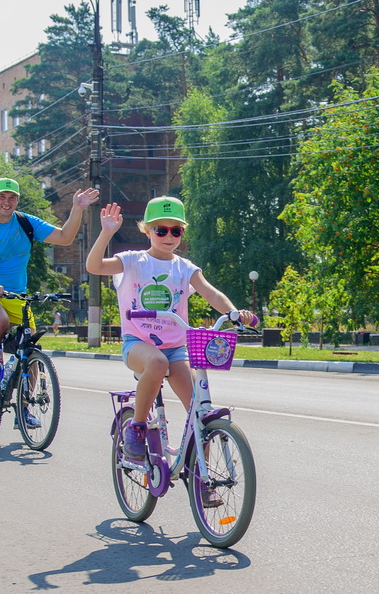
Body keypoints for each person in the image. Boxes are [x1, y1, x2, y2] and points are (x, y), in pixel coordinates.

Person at [85, 196, 257, 503]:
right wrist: (107, 232)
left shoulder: (185, 268)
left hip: (177, 347)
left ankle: (202, 482)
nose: (168, 237)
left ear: (181, 234)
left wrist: (233, 313)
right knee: (157, 363)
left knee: (200, 410)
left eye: (175, 231)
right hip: (138, 344)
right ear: (147, 230)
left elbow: (211, 293)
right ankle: (136, 428)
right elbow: (94, 265)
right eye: (161, 230)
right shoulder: (132, 261)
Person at [0, 177, 98, 427]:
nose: (7, 202)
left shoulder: (25, 223)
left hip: (16, 294)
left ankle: (23, 411)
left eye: (12, 197)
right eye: (2, 196)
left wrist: (77, 209)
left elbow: (64, 237)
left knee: (30, 347)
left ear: (17, 200)